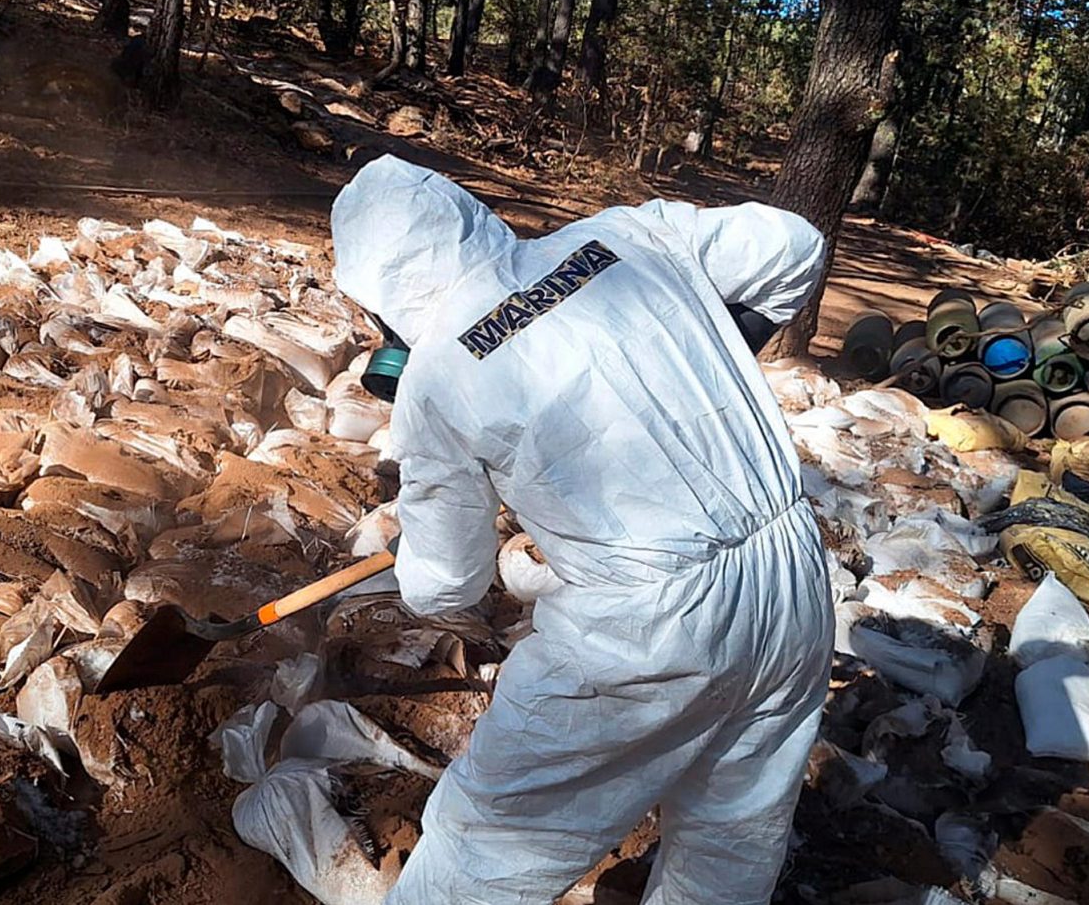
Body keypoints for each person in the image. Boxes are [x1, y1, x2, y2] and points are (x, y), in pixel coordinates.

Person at [330, 154, 834, 905]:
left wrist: (428, 538)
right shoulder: (626, 235)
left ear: (380, 292)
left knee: (489, 842)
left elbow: (446, 588)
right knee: (731, 835)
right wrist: (695, 358)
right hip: (793, 580)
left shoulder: (437, 375)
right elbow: (795, 244)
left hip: (647, 629)